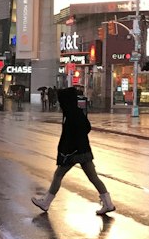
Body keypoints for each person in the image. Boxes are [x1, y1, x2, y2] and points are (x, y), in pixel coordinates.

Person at [32, 87, 115, 216]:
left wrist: (66, 151)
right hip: (84, 150)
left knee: (58, 175)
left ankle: (46, 202)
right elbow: (87, 127)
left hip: (72, 153)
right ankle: (108, 203)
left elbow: (70, 136)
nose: (60, 103)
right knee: (93, 177)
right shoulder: (77, 112)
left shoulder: (70, 114)